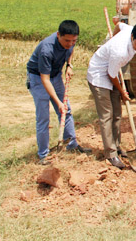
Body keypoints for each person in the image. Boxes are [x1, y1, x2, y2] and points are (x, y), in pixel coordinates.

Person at [87, 21, 136, 169]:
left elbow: (119, 24)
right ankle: (110, 154)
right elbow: (111, 75)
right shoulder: (119, 52)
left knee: (117, 113)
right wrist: (123, 91)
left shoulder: (129, 29)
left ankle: (116, 147)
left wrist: (113, 37)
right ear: (132, 37)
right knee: (107, 115)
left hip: (113, 71)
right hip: (99, 75)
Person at [26, 20, 91, 165]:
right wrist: (58, 101)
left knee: (66, 111)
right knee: (43, 118)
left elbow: (70, 50)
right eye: (67, 40)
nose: (70, 43)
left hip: (55, 76)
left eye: (73, 40)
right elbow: (45, 80)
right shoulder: (46, 49)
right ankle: (43, 155)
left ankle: (71, 145)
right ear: (58, 35)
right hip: (38, 79)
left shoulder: (71, 42)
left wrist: (69, 65)